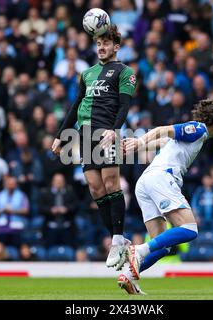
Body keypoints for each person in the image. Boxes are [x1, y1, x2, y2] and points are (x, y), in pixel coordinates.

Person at [51, 24, 137, 269]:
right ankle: (118, 241)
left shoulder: (125, 71)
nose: (101, 47)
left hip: (106, 131)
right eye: (98, 44)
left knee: (111, 184)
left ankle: (117, 240)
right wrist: (61, 135)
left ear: (116, 47)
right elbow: (76, 105)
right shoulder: (86, 74)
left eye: (106, 44)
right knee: (96, 189)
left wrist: (115, 129)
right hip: (85, 133)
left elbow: (124, 105)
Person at [120, 98, 213, 294]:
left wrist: (139, 146)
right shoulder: (199, 128)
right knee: (190, 229)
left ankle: (128, 275)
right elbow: (163, 129)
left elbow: (163, 141)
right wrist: (141, 140)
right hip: (161, 178)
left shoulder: (195, 136)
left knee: (162, 245)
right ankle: (139, 250)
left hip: (146, 182)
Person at [0, 176, 29, 248]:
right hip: (2, 228)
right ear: (6, 184)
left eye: (13, 183)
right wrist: (2, 211)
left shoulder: (22, 195)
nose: (11, 185)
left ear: (16, 184)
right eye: (9, 183)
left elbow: (26, 210)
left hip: (17, 228)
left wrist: (13, 211)